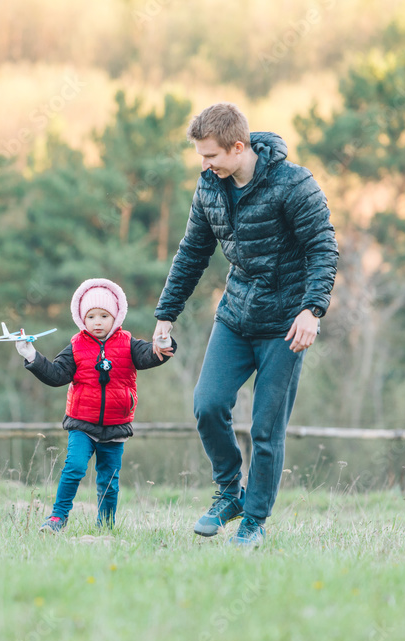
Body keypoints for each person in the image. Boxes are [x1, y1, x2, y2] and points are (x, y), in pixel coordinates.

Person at [151, 103, 338, 548]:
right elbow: (192, 253)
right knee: (207, 404)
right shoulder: (209, 189)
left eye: (210, 156)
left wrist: (312, 311)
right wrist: (165, 316)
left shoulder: (294, 184)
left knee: (265, 429)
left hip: (286, 325)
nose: (204, 165)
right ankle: (229, 492)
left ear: (238, 147)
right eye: (200, 156)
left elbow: (324, 249)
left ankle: (254, 520)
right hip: (235, 316)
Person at [16, 278, 177, 532]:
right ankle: (58, 517)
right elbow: (57, 375)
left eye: (104, 315)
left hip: (116, 426)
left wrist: (165, 344)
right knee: (74, 468)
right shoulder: (76, 347)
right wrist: (32, 356)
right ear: (82, 319)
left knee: (109, 480)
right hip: (82, 423)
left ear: (116, 317)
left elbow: (151, 355)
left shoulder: (128, 344)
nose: (98, 322)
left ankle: (105, 526)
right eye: (91, 317)